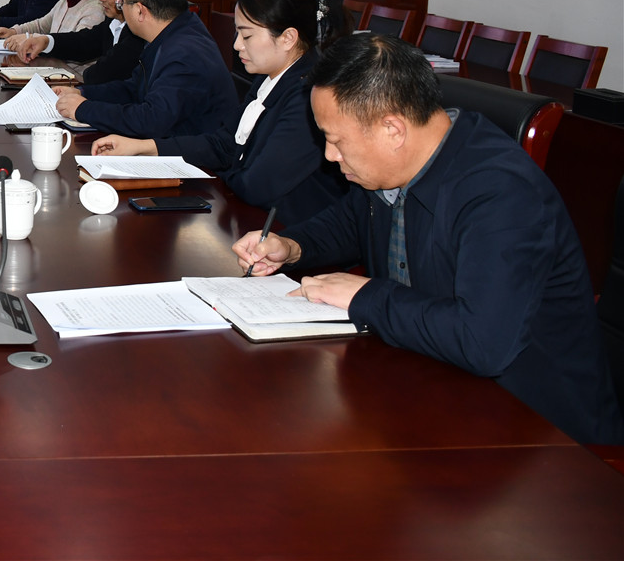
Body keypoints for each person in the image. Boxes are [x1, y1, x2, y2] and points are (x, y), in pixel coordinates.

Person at [233, 34, 624, 445]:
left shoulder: (501, 193)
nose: (330, 155)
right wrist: (292, 246)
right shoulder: (390, 166)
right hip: (435, 389)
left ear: (392, 129)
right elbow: (351, 222)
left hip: (542, 436)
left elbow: (483, 343)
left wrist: (364, 295)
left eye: (335, 140)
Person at [92, 0, 346, 226]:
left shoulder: (308, 97)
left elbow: (256, 185)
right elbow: (223, 144)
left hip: (284, 231)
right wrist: (143, 147)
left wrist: (215, 175)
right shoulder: (270, 77)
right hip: (246, 216)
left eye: (247, 36)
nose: (237, 45)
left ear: (288, 38)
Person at [54, 0, 237, 138]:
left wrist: (84, 109)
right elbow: (134, 88)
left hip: (190, 152)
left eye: (122, 3)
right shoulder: (172, 31)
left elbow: (151, 121)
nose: (121, 9)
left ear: (140, 11)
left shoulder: (185, 53)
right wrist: (83, 93)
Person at [12, 0, 148, 84]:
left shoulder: (137, 35)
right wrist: (46, 41)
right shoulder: (112, 21)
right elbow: (85, 41)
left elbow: (102, 73)